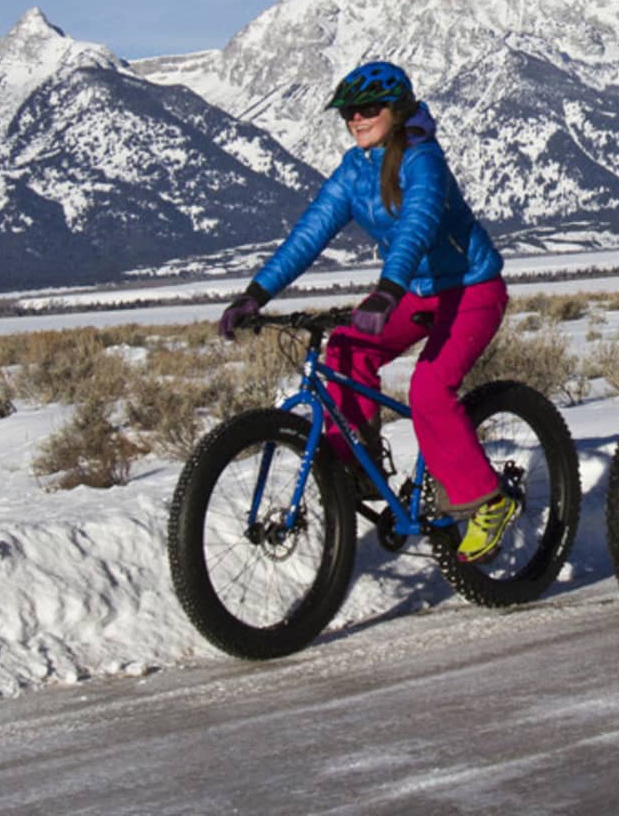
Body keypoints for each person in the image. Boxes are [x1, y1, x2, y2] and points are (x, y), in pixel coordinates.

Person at [219, 59, 517, 564]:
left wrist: (387, 289)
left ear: (397, 110)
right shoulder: (353, 170)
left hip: (470, 289)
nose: (356, 119)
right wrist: (256, 294)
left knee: (429, 388)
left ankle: (487, 500)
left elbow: (417, 224)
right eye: (348, 113)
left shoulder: (423, 160)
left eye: (368, 109)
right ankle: (352, 464)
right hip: (414, 293)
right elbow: (310, 233)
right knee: (345, 348)